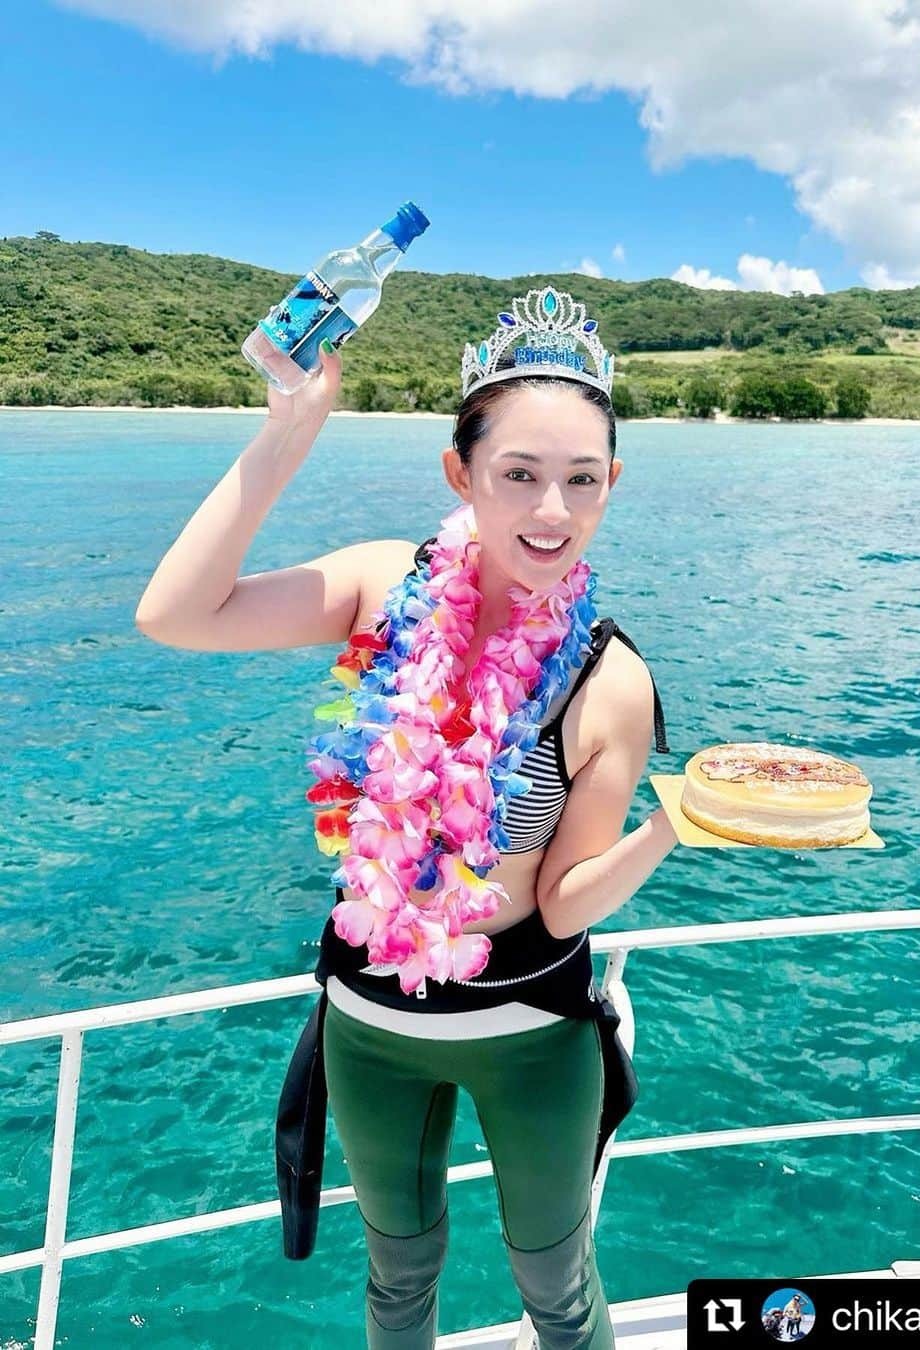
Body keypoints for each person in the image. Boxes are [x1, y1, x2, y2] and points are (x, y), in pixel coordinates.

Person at [135, 285, 679, 1349]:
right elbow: (175, 613)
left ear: (612, 485)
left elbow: (564, 909)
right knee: (394, 1286)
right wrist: (291, 428)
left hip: (529, 1035)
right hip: (369, 1027)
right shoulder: (387, 586)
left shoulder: (612, 680)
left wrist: (677, 826)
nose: (550, 511)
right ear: (460, 474)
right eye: (518, 474)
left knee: (558, 1297)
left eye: (580, 480)